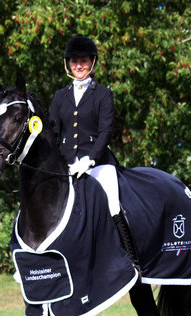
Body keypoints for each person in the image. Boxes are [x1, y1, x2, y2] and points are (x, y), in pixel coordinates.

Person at [49, 34, 140, 273]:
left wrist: (90, 159)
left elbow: (105, 132)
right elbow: (54, 133)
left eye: (84, 61)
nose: (79, 66)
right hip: (67, 164)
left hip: (98, 162)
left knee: (112, 201)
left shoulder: (102, 94)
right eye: (74, 61)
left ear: (92, 63)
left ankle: (130, 258)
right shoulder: (60, 96)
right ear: (68, 64)